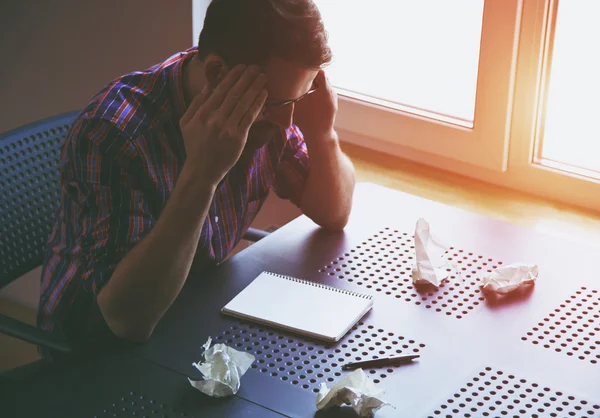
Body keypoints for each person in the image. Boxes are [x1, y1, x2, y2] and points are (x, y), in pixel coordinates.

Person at [38, 0, 356, 356]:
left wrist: (323, 132)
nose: (287, 123)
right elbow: (126, 320)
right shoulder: (114, 134)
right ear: (218, 73)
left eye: (300, 99)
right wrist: (202, 173)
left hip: (196, 318)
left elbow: (333, 212)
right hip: (93, 351)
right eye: (281, 105)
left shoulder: (271, 107)